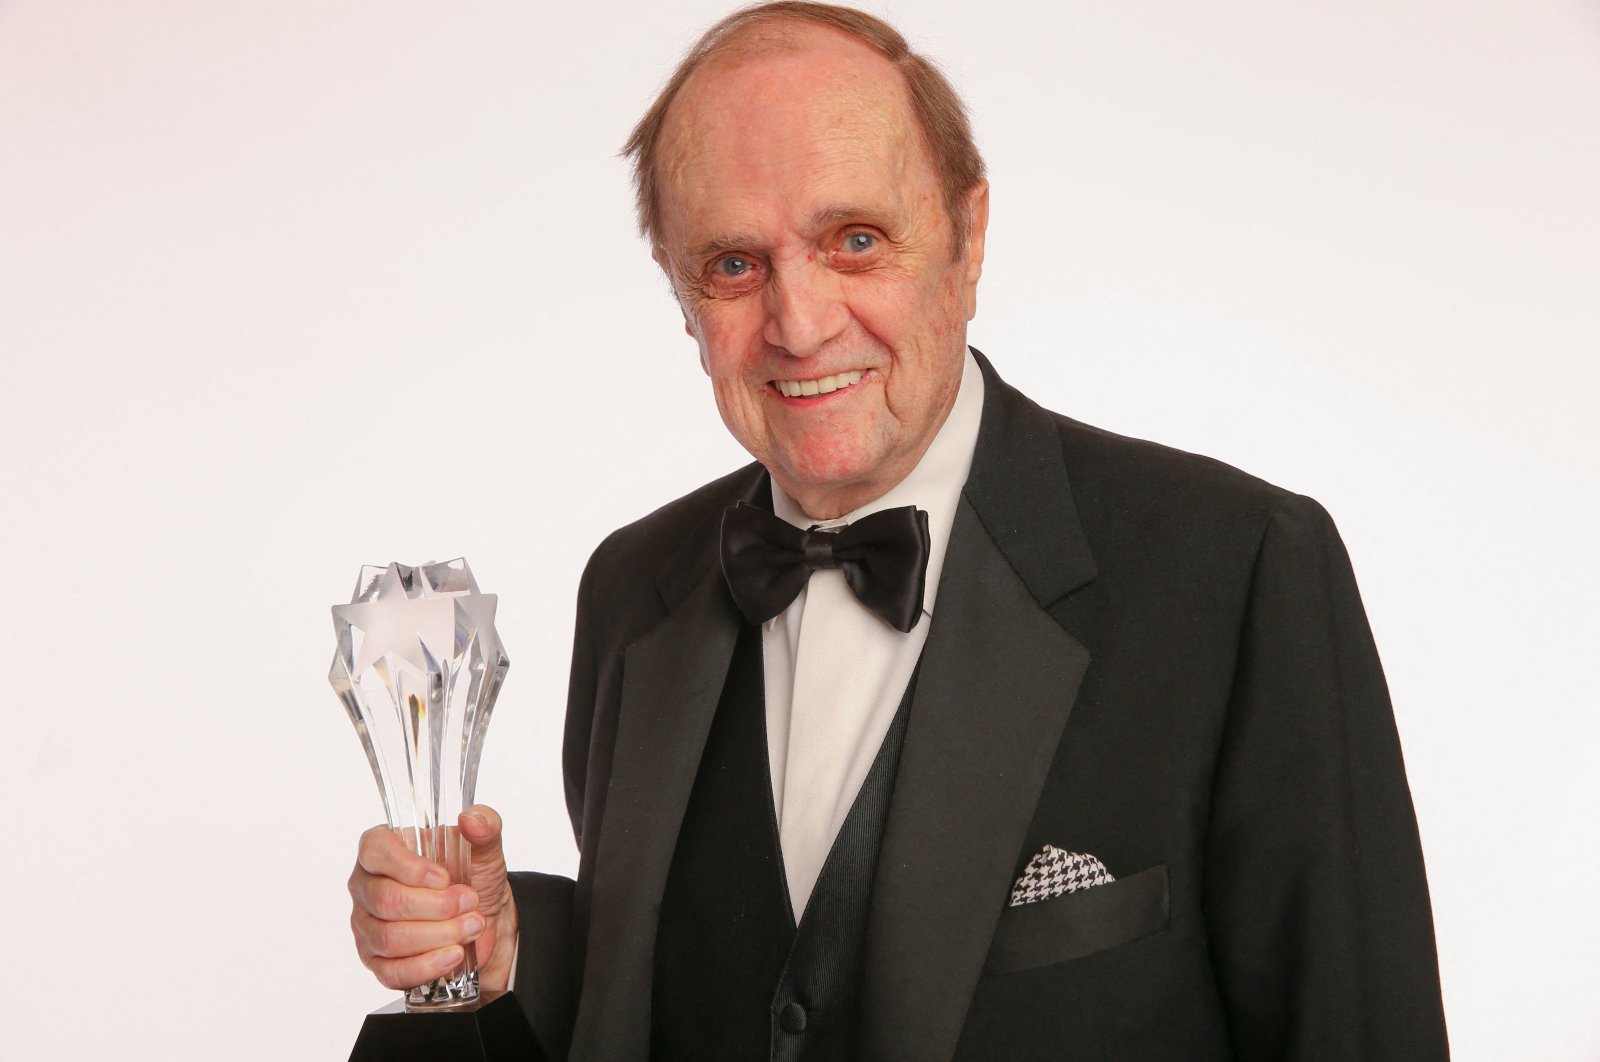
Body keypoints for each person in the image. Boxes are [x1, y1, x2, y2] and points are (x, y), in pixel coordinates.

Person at [346, 3, 1449, 1058]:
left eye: (856, 239)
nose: (800, 321)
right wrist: (506, 950)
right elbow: (669, 994)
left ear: (968, 237)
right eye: (733, 265)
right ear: (680, 295)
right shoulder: (635, 588)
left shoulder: (1238, 568)